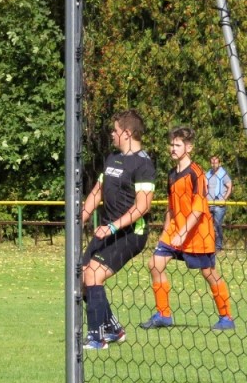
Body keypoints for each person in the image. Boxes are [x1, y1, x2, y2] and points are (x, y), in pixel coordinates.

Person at [140, 127, 235, 331]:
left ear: (189, 147)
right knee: (155, 264)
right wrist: (166, 233)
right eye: (171, 144)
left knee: (209, 273)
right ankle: (163, 314)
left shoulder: (196, 173)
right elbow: (171, 208)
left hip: (198, 234)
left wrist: (183, 233)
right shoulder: (171, 174)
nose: (172, 148)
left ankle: (226, 317)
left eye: (177, 145)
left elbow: (199, 209)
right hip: (175, 232)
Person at [81, 109, 156, 350]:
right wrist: (81, 217)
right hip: (107, 230)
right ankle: (114, 329)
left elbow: (143, 207)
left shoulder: (144, 164)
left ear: (127, 132)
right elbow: (97, 191)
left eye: (115, 130)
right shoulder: (112, 158)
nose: (112, 134)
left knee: (94, 274)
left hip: (131, 234)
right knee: (81, 277)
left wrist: (112, 226)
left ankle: (97, 338)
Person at [205, 155, 232, 252]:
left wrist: (224, 199)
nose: (214, 164)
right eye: (212, 162)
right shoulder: (208, 174)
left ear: (219, 163)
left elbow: (230, 186)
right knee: (208, 225)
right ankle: (209, 245)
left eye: (216, 162)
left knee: (217, 225)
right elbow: (205, 187)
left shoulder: (223, 174)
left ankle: (218, 246)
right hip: (209, 203)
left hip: (219, 205)